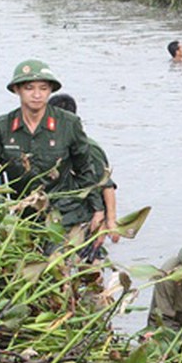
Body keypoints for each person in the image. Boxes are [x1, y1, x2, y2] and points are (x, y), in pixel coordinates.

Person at [0, 60, 103, 233]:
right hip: (20, 213)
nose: (37, 95)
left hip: (63, 213)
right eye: (29, 88)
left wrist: (99, 210)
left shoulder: (69, 124)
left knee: (58, 256)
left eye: (43, 88)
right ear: (17, 90)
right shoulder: (3, 127)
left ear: (50, 90)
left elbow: (86, 169)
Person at [48, 93, 118, 250]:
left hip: (81, 216)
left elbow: (106, 185)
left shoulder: (87, 148)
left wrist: (109, 221)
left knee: (85, 263)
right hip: (54, 214)